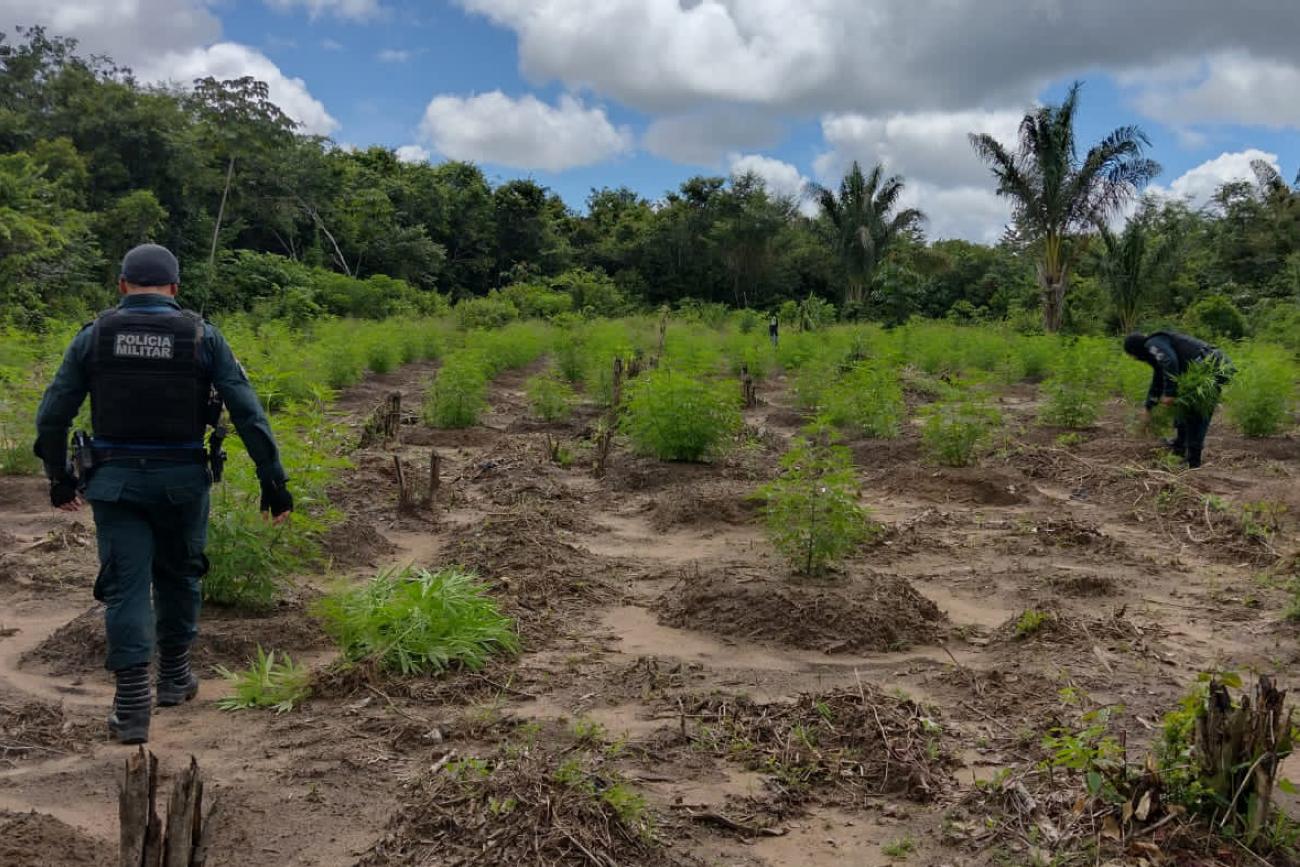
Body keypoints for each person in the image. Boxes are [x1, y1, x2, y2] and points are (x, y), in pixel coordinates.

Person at [34, 244, 294, 744]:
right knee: (180, 575)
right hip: (181, 481)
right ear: (175, 288)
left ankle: (132, 703)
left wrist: (58, 477)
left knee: (124, 585)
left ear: (122, 284)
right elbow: (248, 413)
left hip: (114, 484)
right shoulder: (203, 336)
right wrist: (274, 482)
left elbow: (52, 414)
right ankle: (174, 678)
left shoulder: (94, 337)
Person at [1123, 330, 1232, 469]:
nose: (1135, 359)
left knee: (1196, 411)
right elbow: (1159, 377)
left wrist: (1169, 393)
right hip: (1204, 367)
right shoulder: (1157, 350)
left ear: (1136, 349)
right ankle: (1179, 446)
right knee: (1183, 406)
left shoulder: (1152, 343)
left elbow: (1169, 361)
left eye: (1133, 355)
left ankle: (1193, 461)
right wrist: (1149, 406)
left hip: (1211, 367)